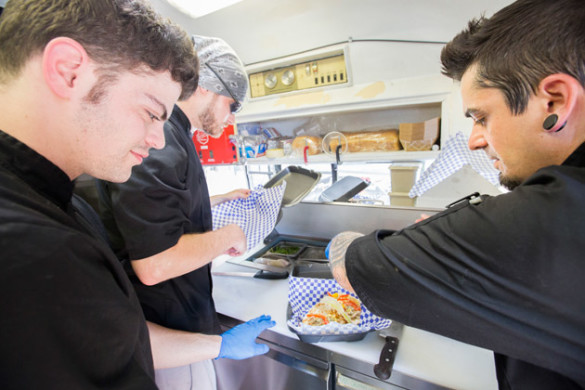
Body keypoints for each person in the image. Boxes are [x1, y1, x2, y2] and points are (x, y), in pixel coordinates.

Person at [0, 1, 273, 389]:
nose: (157, 139)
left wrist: (215, 345)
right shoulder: (31, 249)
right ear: (68, 70)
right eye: (150, 112)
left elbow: (117, 339)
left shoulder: (63, 206)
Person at [327, 0, 585, 388]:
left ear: (555, 101)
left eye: (482, 117)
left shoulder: (549, 215)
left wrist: (341, 244)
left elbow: (357, 266)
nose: (475, 140)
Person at [96, 35, 255, 390]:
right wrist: (226, 237)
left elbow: (162, 207)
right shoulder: (161, 139)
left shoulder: (175, 135)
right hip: (166, 333)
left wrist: (218, 199)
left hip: (178, 324)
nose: (230, 120)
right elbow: (154, 264)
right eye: (232, 105)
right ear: (206, 87)